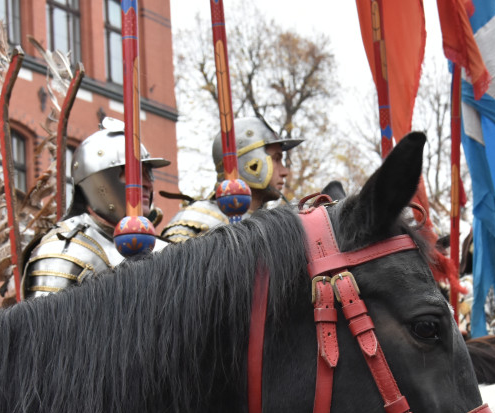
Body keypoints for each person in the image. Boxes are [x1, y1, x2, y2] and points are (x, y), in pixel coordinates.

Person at [22, 117, 170, 297]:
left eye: (149, 175)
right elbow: (45, 323)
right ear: (101, 181)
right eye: (135, 174)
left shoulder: (164, 250)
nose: (147, 184)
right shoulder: (64, 251)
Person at [160, 116, 300, 242]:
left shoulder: (271, 225)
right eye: (276, 159)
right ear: (250, 163)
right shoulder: (196, 220)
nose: (284, 171)